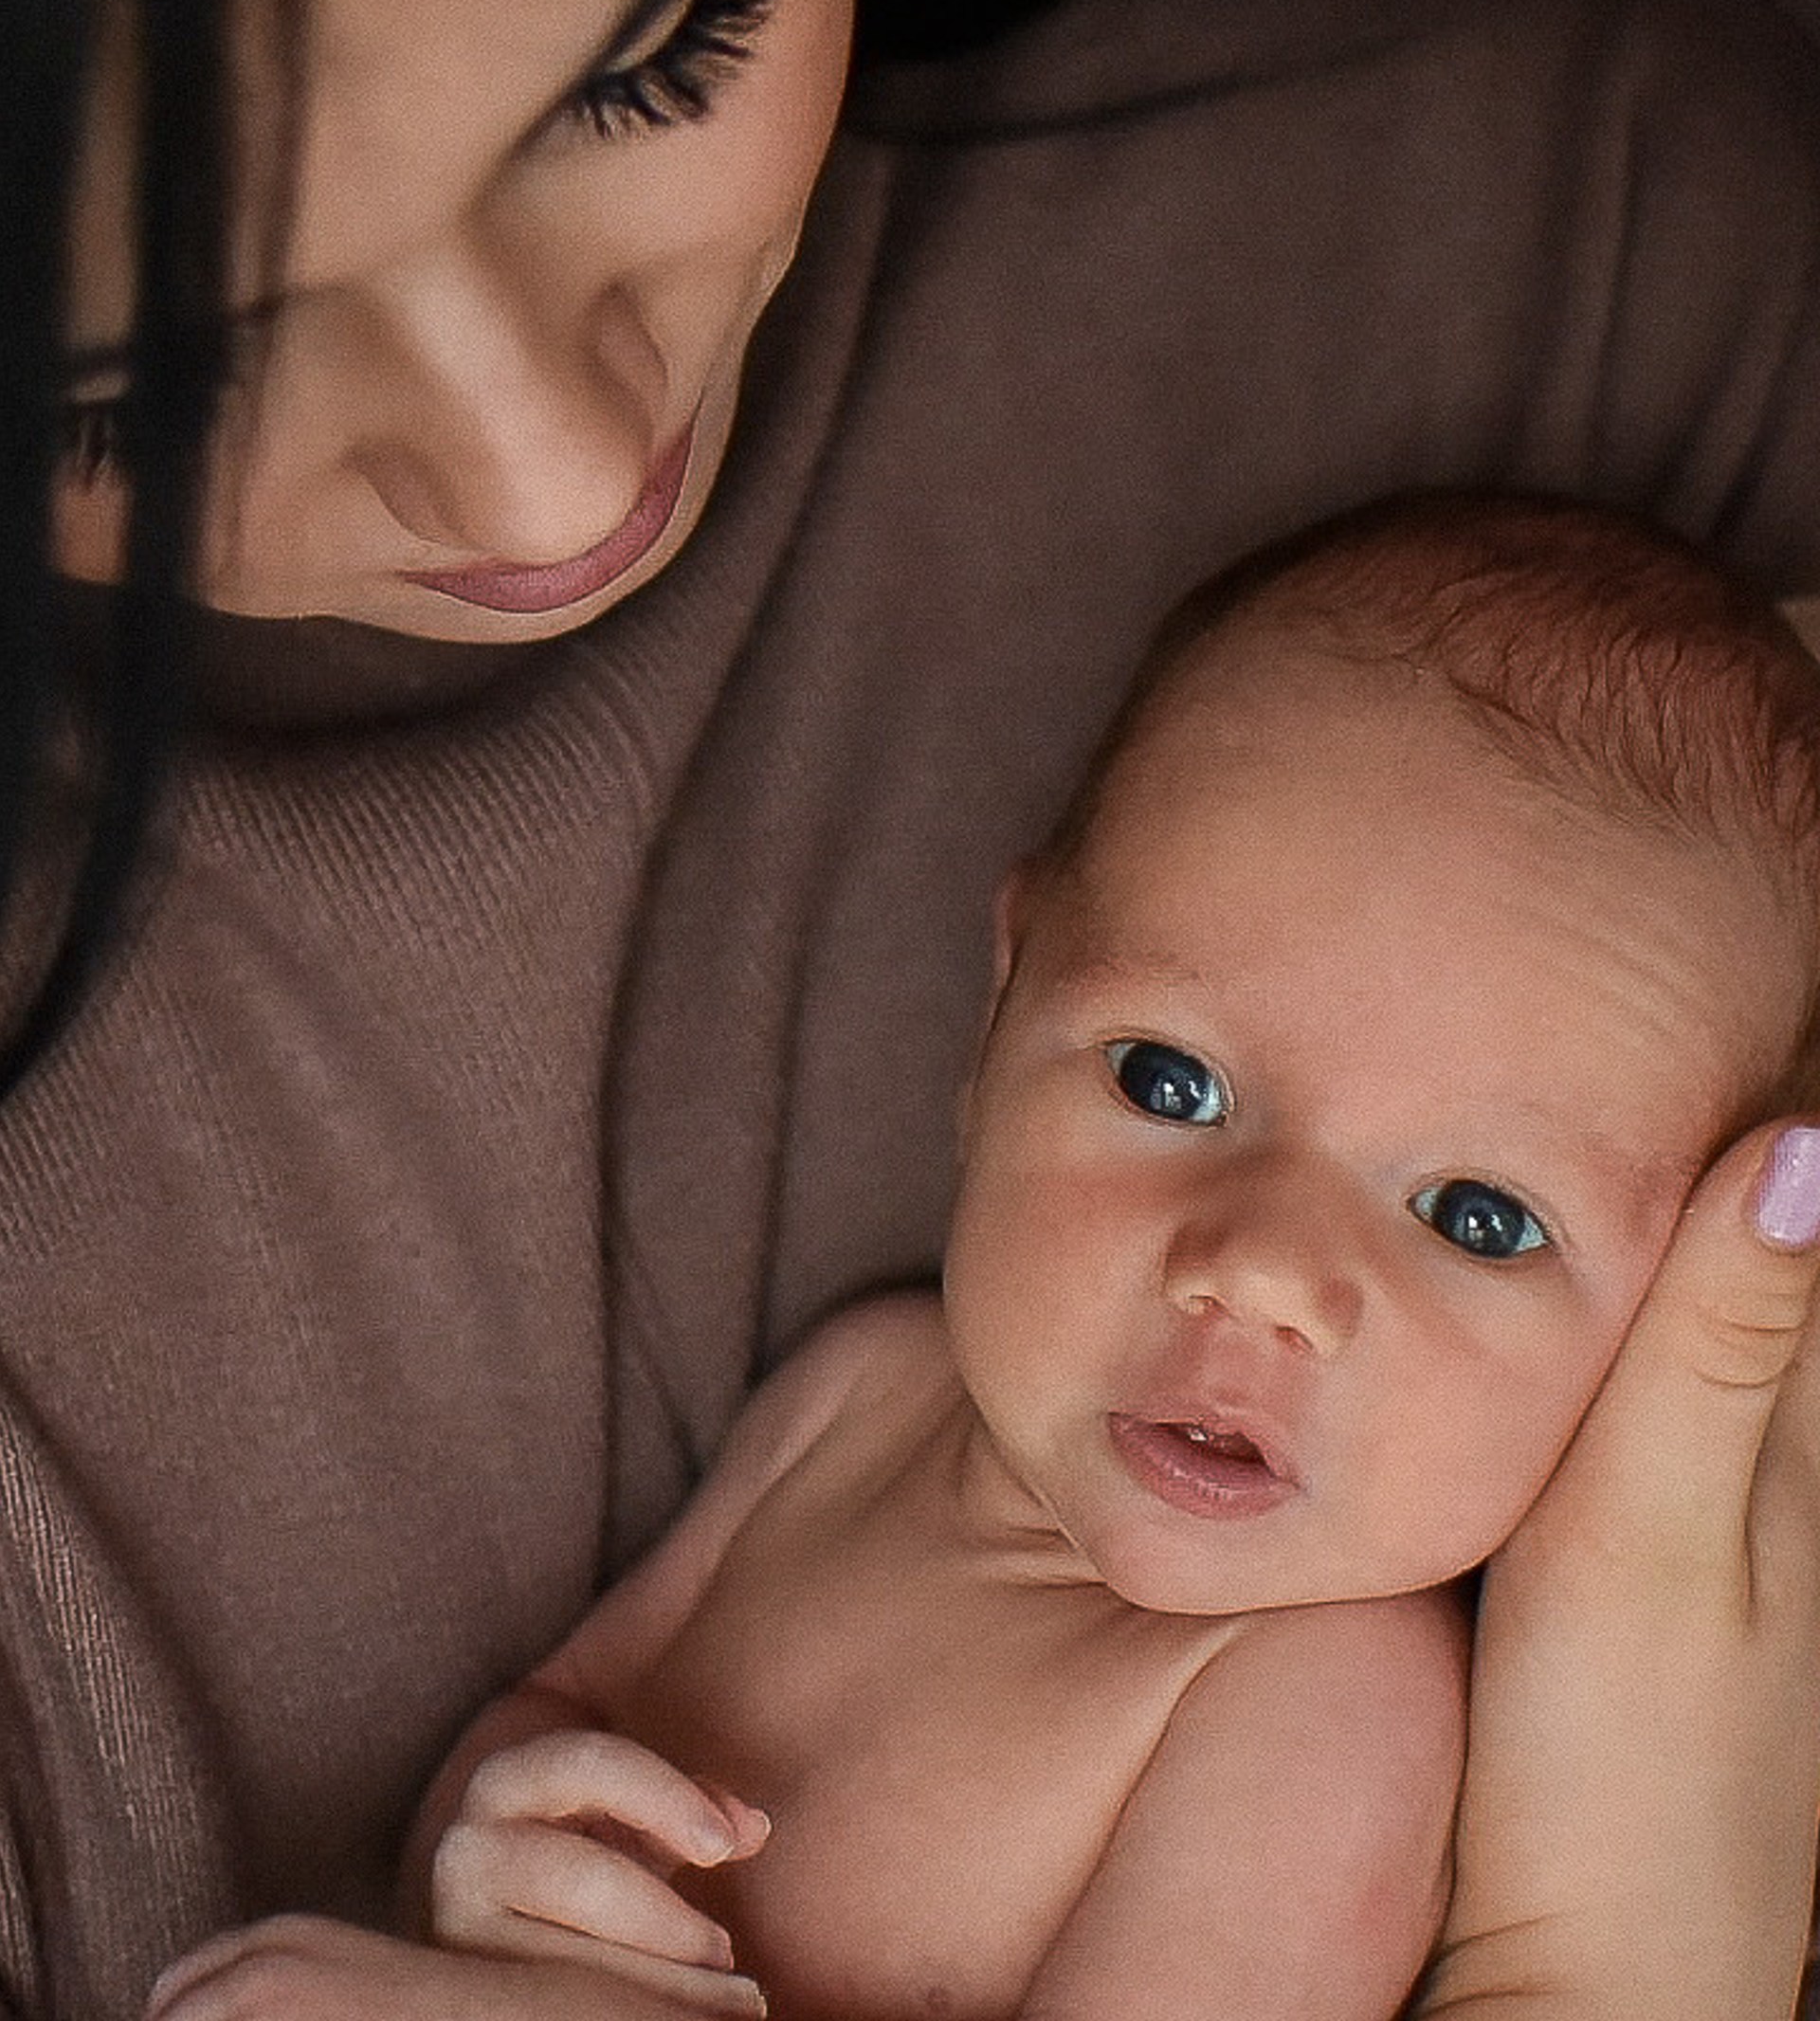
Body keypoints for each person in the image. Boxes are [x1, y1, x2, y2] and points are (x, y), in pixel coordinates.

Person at [0, 0, 1819, 2018]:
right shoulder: (880, 1402)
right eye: (150, 367)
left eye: (655, 46)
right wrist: (516, 1836)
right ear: (1010, 986)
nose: (545, 476)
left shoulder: (1559, 284)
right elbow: (569, 1730)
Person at [383, 494, 1820, 2021]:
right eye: (1167, 1083)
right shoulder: (858, 1398)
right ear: (1001, 1017)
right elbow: (563, 1711)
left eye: (1480, 1217)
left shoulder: (1327, 1706)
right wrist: (477, 1873)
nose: (1262, 1270)